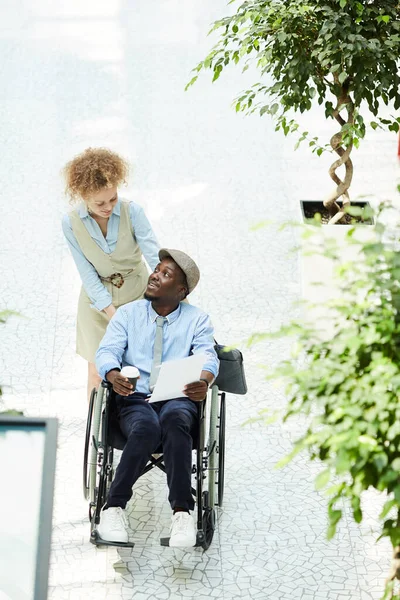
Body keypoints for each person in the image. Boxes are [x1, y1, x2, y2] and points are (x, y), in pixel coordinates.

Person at [95, 248, 219, 547]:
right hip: (134, 396)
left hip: (176, 396)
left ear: (180, 291)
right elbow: (106, 351)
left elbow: (208, 356)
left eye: (165, 274)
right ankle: (113, 507)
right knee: (147, 427)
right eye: (157, 269)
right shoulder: (128, 314)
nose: (154, 275)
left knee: (176, 422)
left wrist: (204, 380)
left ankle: (182, 514)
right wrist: (112, 374)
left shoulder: (197, 320)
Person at [61, 147, 160, 399]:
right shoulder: (71, 223)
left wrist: (172, 290)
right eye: (100, 203)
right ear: (82, 196)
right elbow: (86, 272)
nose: (108, 207)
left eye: (113, 199)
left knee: (136, 370)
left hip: (136, 295)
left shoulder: (132, 211)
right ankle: (96, 433)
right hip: (97, 305)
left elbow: (153, 254)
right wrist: (111, 312)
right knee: (97, 372)